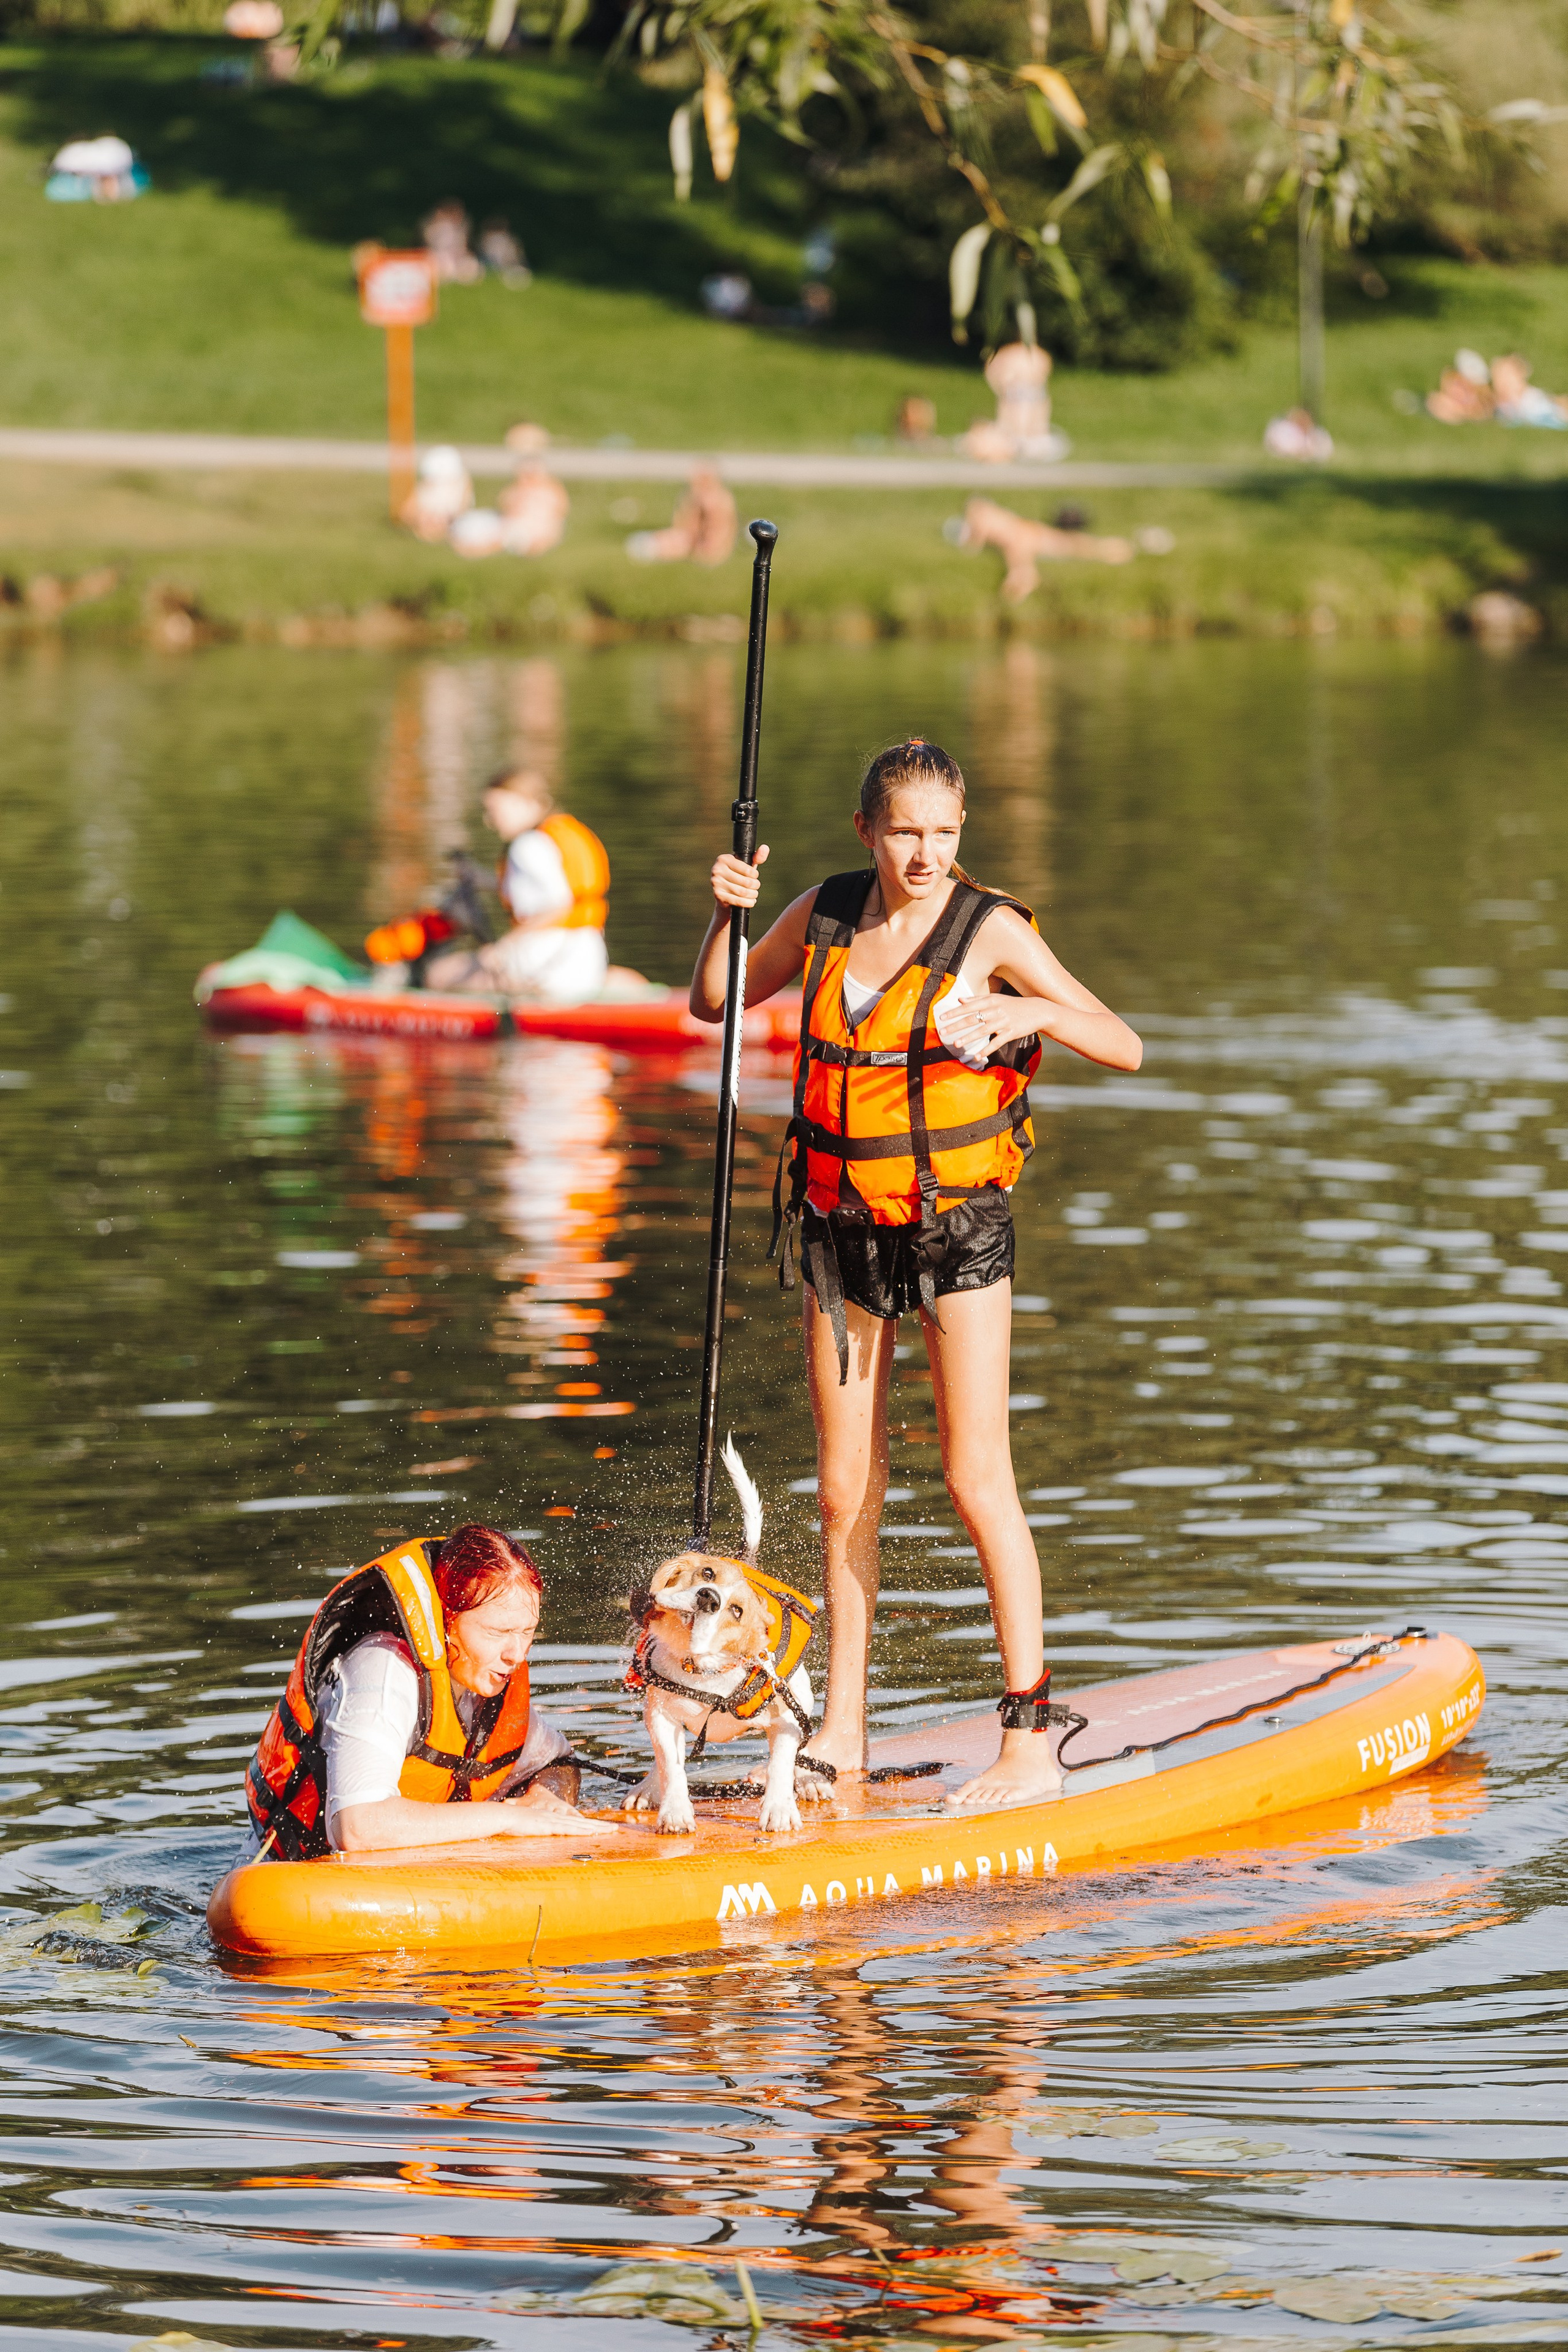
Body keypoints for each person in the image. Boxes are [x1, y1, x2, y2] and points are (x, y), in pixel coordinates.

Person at [688, 739, 1142, 1812]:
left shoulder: (992, 928)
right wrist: (728, 912)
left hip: (957, 1232)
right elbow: (716, 1003)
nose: (926, 852)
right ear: (867, 832)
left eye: (944, 832)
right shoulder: (828, 911)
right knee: (846, 1487)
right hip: (839, 1229)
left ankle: (1030, 1734)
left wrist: (1032, 1013)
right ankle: (840, 1731)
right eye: (905, 831)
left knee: (974, 1477)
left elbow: (1121, 1042)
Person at [245, 1522, 611, 1857]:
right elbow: (357, 1828)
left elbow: (558, 1763)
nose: (516, 1655)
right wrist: (508, 1819)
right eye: (497, 1633)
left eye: (527, 1632)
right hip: (293, 1883)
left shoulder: (486, 1678)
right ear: (446, 1620)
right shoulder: (383, 1671)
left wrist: (543, 1799)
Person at [425, 767, 610, 1005]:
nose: (489, 820)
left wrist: (501, 948)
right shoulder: (562, 832)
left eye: (495, 810)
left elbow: (558, 907)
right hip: (589, 957)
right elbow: (549, 893)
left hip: (547, 962)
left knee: (438, 974)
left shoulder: (526, 845)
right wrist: (484, 880)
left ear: (524, 803)